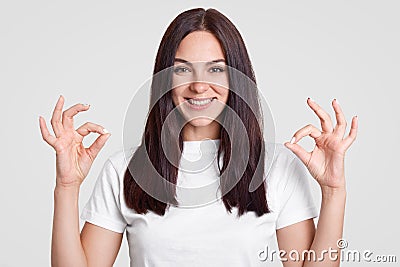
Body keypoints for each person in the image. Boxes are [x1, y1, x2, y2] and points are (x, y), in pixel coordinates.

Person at [39, 7, 358, 267]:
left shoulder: (278, 167)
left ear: (237, 77)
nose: (199, 85)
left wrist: (334, 192)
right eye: (182, 70)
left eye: (216, 69)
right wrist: (67, 187)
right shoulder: (125, 169)